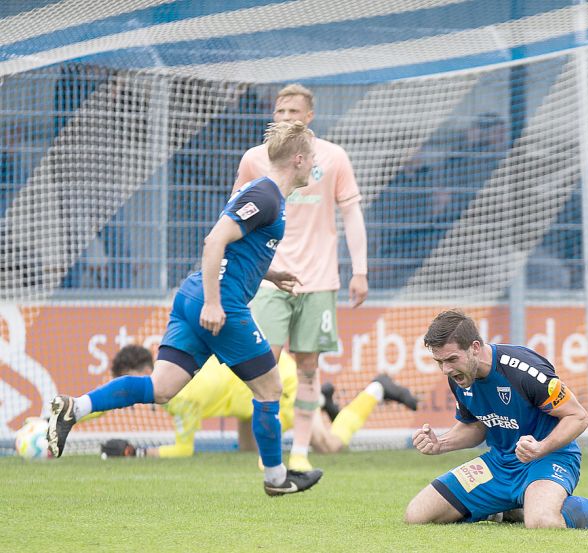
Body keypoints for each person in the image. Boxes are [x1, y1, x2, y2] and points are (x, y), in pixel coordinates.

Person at [47, 120, 323, 497]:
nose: (314, 165)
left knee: (161, 388)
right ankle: (277, 479)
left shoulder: (264, 194)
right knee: (270, 388)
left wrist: (271, 274)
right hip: (218, 303)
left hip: (193, 295)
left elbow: (236, 249)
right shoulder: (268, 195)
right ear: (298, 159)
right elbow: (214, 241)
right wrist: (214, 302)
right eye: (312, 158)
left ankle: (74, 408)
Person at [404, 310, 588, 531]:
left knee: (542, 521)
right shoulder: (458, 376)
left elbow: (578, 417)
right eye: (439, 362)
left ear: (475, 347)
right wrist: (442, 443)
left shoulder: (523, 370)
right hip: (500, 463)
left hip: (549, 459)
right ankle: (507, 508)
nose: (445, 370)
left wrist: (541, 448)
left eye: (451, 360)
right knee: (417, 515)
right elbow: (477, 427)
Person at [234, 83, 368, 473]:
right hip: (268, 279)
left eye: (294, 112)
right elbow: (235, 213)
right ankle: (269, 446)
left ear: (309, 117)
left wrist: (359, 270)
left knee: (308, 367)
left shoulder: (332, 157)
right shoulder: (254, 159)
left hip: (319, 280)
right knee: (264, 365)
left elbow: (352, 214)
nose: (286, 118)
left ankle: (301, 450)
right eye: (280, 112)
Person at [96, 344, 417, 458]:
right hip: (247, 397)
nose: (131, 394)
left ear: (145, 370)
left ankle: (377, 387)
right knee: (249, 453)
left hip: (275, 382)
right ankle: (321, 397)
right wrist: (70, 411)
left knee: (330, 446)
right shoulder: (174, 366)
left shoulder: (179, 395)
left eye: (132, 380)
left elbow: (184, 450)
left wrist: (135, 452)